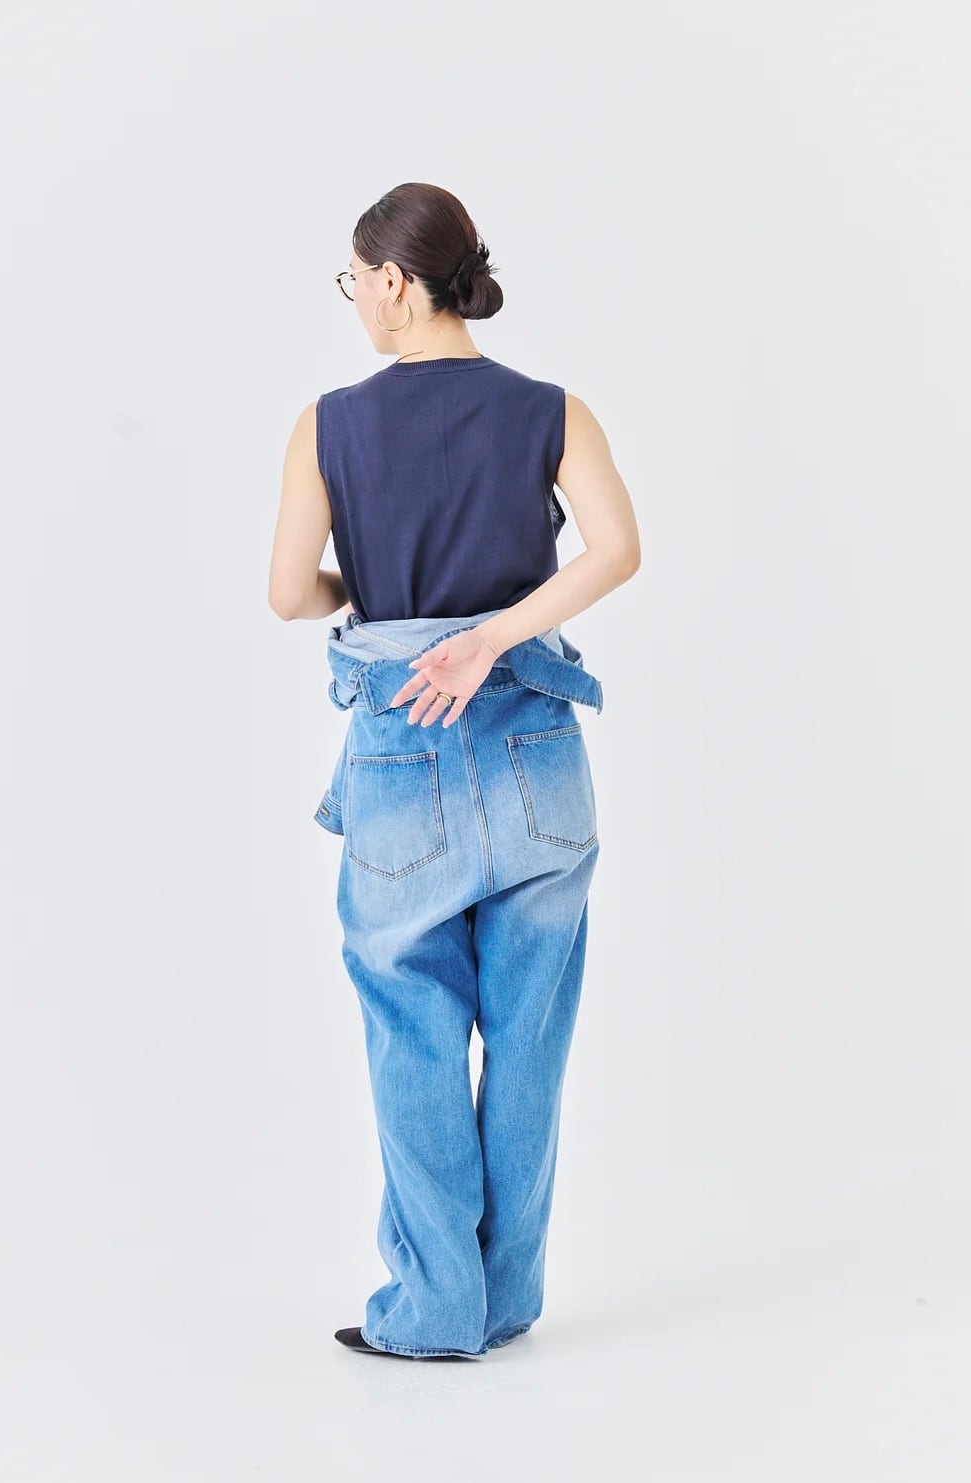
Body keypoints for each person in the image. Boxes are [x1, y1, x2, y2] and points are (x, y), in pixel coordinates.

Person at [268, 182, 642, 1360]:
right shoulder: (553, 411)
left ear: (392, 281)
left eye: (355, 280)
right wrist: (493, 634)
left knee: (413, 1032)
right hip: (535, 749)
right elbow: (617, 550)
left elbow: (287, 594)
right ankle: (506, 1295)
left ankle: (436, 1309)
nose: (355, 302)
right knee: (530, 1039)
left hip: (404, 752)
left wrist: (378, 594)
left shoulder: (327, 424)